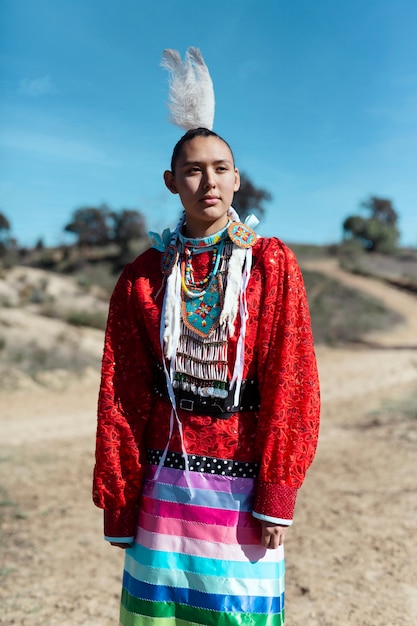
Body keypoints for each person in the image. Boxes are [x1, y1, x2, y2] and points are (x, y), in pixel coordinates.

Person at [93, 49, 320, 626]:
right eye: (193, 169)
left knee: (236, 612)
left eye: (220, 168)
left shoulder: (270, 265)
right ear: (172, 182)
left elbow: (291, 379)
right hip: (164, 474)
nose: (208, 181)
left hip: (241, 474)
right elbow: (121, 391)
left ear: (237, 180)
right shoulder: (144, 276)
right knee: (159, 613)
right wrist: (122, 498)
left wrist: (276, 492)